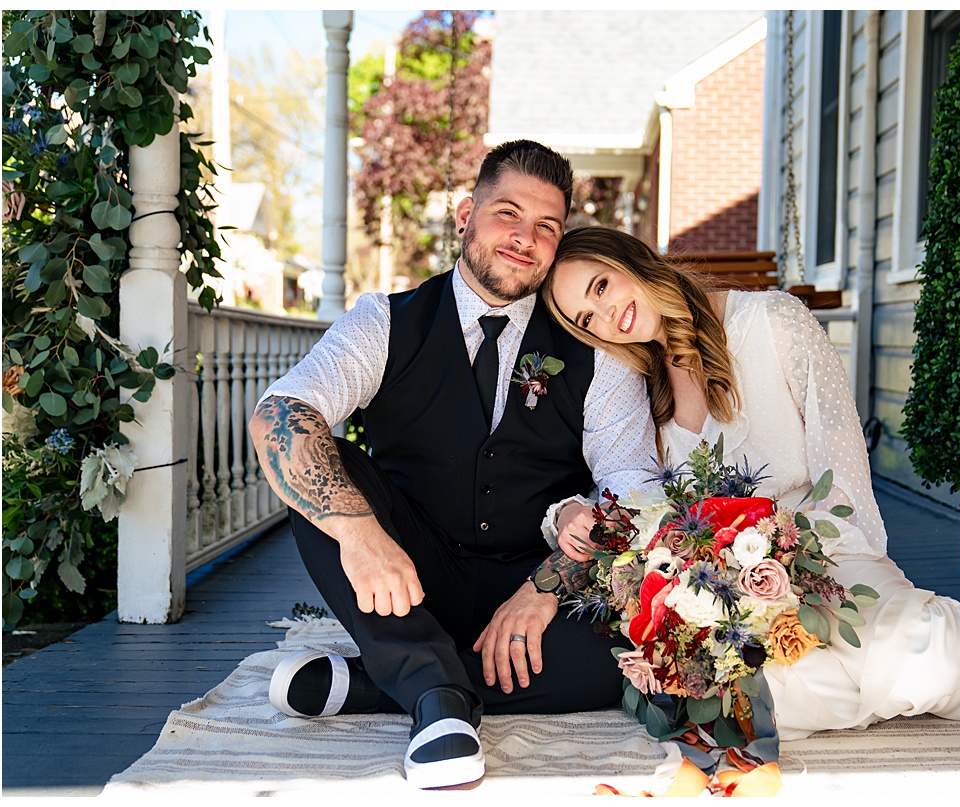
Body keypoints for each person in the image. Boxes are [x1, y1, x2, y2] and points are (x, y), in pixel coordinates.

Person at [540, 226, 960, 741]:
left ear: (632, 260)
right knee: (750, 700)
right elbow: (630, 493)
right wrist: (569, 514)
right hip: (735, 592)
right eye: (585, 318)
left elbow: (841, 472)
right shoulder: (635, 385)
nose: (606, 312)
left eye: (600, 286)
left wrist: (795, 567)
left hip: (829, 555)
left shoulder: (772, 322)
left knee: (914, 644)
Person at [249, 142, 656, 789]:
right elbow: (280, 412)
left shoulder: (593, 348)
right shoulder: (385, 320)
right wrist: (360, 534)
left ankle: (401, 681)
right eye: (508, 214)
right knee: (321, 472)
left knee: (625, 653)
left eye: (547, 227)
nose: (525, 238)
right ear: (466, 213)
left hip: (531, 593)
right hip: (407, 578)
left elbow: (636, 492)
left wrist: (547, 586)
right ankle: (435, 695)